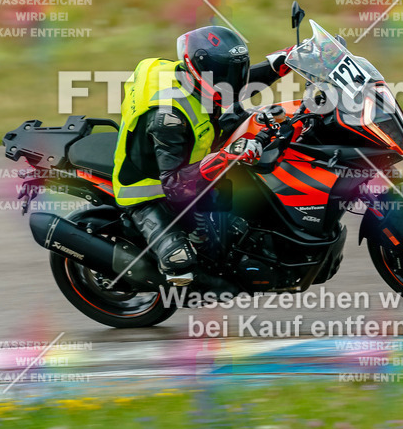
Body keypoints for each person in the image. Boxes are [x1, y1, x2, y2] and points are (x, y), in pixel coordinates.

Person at [112, 26, 291, 286]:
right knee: (180, 264)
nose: (233, 79)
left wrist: (282, 64)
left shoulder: (199, 80)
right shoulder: (169, 118)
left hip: (196, 152)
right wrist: (228, 155)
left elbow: (236, 84)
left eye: (235, 69)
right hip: (149, 189)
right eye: (223, 72)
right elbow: (174, 185)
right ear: (197, 69)